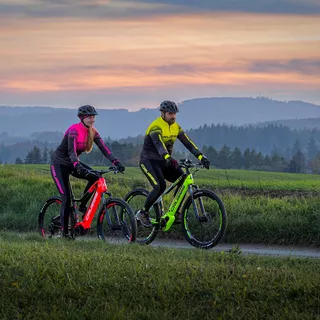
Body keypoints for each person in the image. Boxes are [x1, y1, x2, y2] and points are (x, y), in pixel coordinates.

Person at [50, 105, 125, 237]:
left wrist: (116, 162)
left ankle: (82, 206)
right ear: (82, 118)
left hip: (74, 164)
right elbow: (71, 151)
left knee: (95, 177)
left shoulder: (93, 132)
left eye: (93, 117)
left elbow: (104, 149)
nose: (92, 120)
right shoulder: (74, 130)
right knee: (66, 199)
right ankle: (65, 234)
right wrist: (77, 165)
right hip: (59, 164)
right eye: (89, 117)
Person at [137, 100, 210, 227]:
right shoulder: (156, 126)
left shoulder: (176, 127)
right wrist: (167, 156)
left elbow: (188, 142)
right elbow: (159, 145)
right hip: (149, 161)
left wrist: (201, 156)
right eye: (170, 113)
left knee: (182, 179)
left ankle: (175, 212)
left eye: (175, 114)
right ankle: (143, 213)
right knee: (160, 186)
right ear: (163, 113)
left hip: (165, 161)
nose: (173, 116)